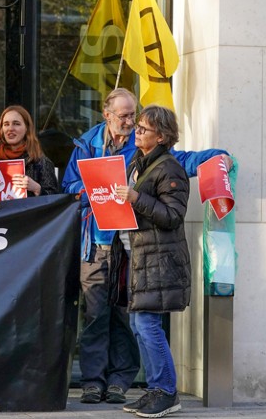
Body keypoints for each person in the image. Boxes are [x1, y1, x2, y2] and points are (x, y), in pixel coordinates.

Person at [61, 87, 229, 405]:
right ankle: (93, 381)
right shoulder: (86, 144)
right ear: (107, 114)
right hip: (95, 241)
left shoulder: (143, 152)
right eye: (124, 115)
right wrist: (93, 188)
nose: (130, 122)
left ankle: (121, 381)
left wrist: (218, 156)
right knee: (96, 314)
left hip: (132, 247)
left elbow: (182, 161)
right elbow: (68, 185)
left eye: (134, 116)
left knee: (129, 316)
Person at [110, 105, 190, 418]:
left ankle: (167, 392)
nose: (137, 132)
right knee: (139, 323)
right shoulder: (140, 162)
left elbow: (173, 216)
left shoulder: (169, 168)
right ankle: (156, 389)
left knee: (147, 323)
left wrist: (135, 198)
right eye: (138, 127)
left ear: (162, 135)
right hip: (141, 255)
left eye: (143, 128)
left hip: (159, 258)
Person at [0, 105, 58, 202]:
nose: (10, 128)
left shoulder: (40, 162)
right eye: (6, 124)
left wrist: (37, 189)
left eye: (16, 124)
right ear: (1, 129)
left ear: (27, 128)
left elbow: (54, 202)